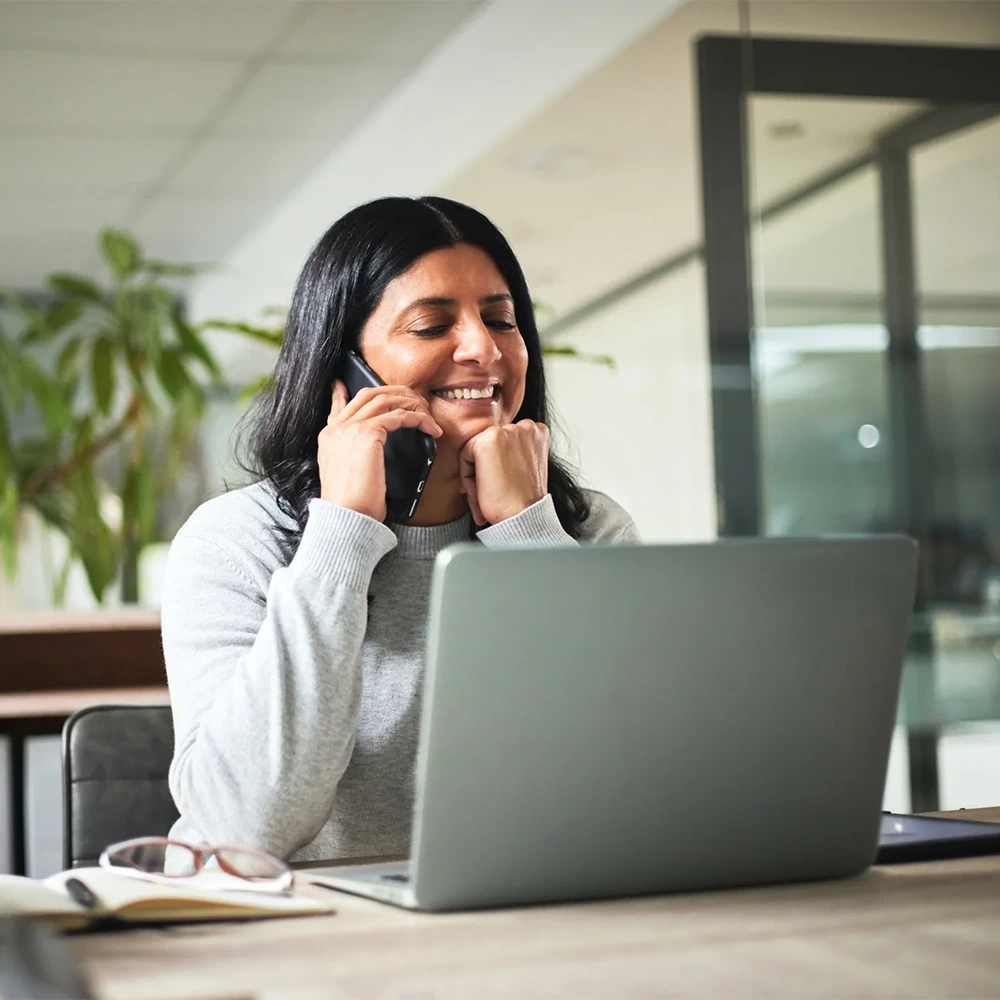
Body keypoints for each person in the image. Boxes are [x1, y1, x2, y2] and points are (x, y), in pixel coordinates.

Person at [161, 196, 639, 863]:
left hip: (519, 921)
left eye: (500, 319)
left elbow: (633, 775)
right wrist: (343, 530)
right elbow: (243, 830)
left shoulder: (584, 531)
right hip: (291, 933)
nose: (482, 347)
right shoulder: (234, 542)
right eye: (431, 325)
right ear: (345, 369)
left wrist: (528, 538)